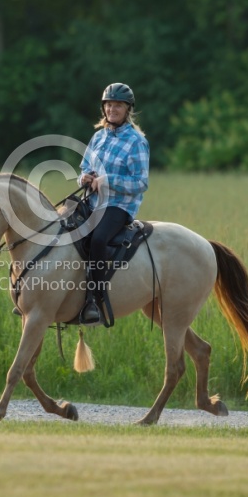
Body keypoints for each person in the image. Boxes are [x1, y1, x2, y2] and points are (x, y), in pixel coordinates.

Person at [78, 82, 150, 324]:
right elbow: (84, 168)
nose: (112, 109)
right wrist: (85, 177)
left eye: (118, 105)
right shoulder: (98, 136)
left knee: (98, 239)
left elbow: (140, 183)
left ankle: (95, 301)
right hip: (93, 201)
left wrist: (107, 181)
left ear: (128, 109)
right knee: (64, 228)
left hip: (118, 207)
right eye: (108, 104)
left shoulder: (136, 141)